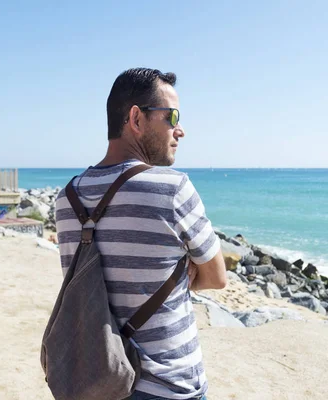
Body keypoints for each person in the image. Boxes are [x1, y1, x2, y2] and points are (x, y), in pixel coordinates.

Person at [54, 68, 226, 400]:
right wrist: (181, 275)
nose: (180, 130)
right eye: (172, 116)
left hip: (97, 379)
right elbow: (217, 277)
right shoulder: (172, 188)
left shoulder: (68, 198)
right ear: (136, 118)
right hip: (168, 385)